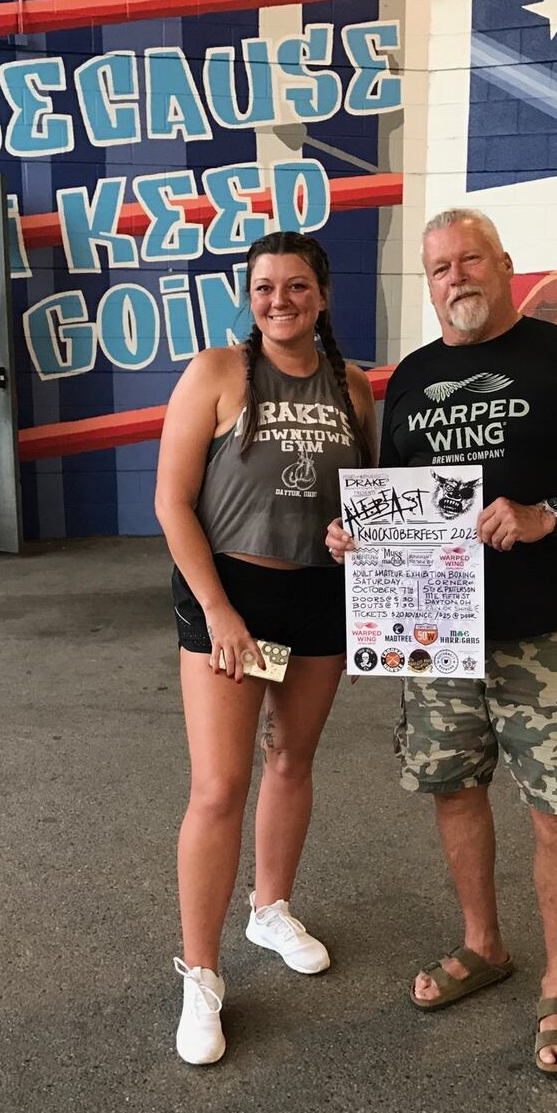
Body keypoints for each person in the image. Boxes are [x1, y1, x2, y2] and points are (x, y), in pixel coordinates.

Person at [327, 208, 557, 1077]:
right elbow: (397, 499)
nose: (456, 278)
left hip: (544, 631)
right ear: (428, 284)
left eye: (470, 260)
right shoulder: (410, 381)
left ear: (505, 265)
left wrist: (553, 514)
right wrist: (358, 538)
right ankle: (483, 946)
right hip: (436, 634)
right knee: (453, 790)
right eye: (439, 268)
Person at [153, 231, 377, 1065]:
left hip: (317, 595)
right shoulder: (214, 373)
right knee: (219, 786)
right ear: (249, 299)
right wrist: (217, 610)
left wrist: (358, 539)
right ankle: (202, 976)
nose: (278, 300)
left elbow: (370, 501)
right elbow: (173, 504)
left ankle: (270, 908)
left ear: (321, 295)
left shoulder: (353, 386)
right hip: (232, 598)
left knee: (292, 759)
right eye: (262, 288)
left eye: (295, 287)